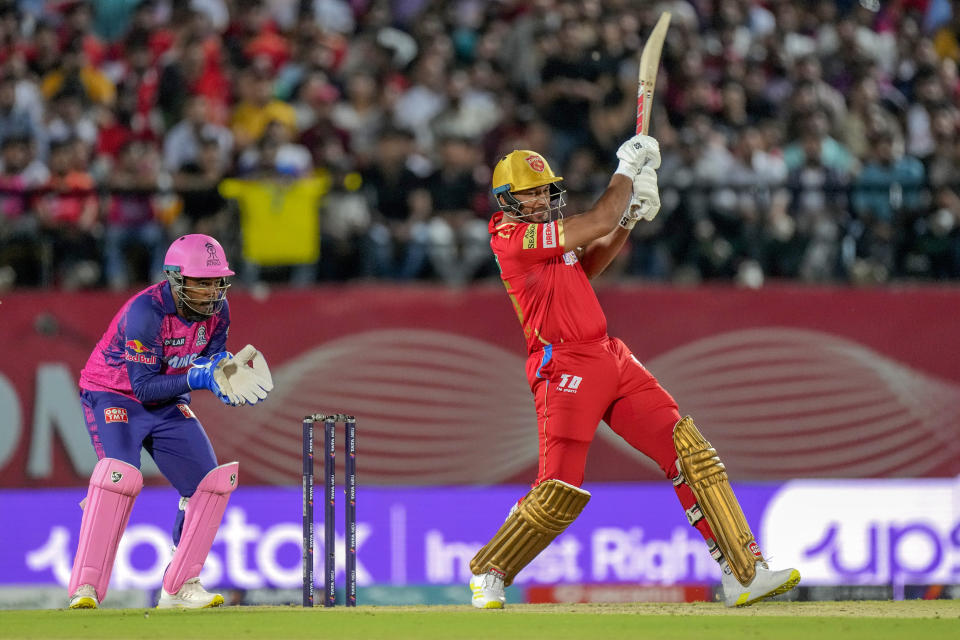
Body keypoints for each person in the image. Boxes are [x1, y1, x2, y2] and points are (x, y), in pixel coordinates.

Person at [468, 136, 801, 609]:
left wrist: (630, 218)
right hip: (562, 365)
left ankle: (743, 573)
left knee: (689, 452)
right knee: (558, 488)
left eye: (545, 191)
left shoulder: (549, 235)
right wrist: (624, 172)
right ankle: (490, 570)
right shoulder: (511, 238)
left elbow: (591, 261)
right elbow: (598, 219)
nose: (541, 200)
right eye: (530, 193)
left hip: (610, 356)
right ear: (506, 200)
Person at [67, 234, 274, 610]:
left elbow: (206, 364)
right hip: (115, 394)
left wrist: (222, 373)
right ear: (176, 278)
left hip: (167, 400)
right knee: (120, 478)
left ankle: (180, 587)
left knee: (210, 486)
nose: (211, 292)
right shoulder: (146, 312)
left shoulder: (219, 313)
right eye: (201, 282)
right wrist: (199, 378)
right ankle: (86, 587)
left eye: (216, 282)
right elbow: (144, 387)